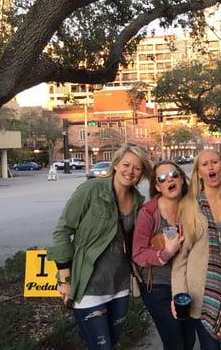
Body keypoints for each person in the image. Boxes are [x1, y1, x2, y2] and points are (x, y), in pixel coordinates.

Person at [48, 144, 152, 350]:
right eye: (126, 164)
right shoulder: (91, 189)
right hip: (89, 285)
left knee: (111, 344)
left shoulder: (138, 201)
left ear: (142, 174)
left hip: (120, 285)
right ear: (115, 165)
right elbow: (62, 231)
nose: (130, 171)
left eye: (137, 168)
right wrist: (65, 279)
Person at [171, 150, 221, 350]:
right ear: (198, 172)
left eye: (215, 162)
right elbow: (181, 258)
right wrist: (178, 294)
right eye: (205, 164)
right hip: (201, 297)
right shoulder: (189, 206)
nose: (211, 167)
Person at [132, 161, 195, 350]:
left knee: (189, 340)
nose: (170, 179)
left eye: (174, 174)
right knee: (175, 343)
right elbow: (138, 253)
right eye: (162, 178)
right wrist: (165, 253)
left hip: (187, 283)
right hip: (159, 285)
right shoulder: (149, 212)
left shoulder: (194, 207)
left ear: (182, 179)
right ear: (157, 186)